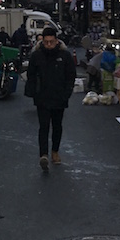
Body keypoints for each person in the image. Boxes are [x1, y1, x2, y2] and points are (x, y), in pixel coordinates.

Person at [25, 26, 76, 173]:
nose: (48, 45)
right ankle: (44, 155)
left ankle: (55, 151)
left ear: (56, 41)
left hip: (59, 98)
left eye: (51, 42)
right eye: (46, 42)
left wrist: (67, 93)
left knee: (57, 126)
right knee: (44, 126)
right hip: (42, 98)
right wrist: (34, 92)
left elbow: (70, 76)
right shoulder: (37, 56)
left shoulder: (64, 56)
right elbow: (31, 75)